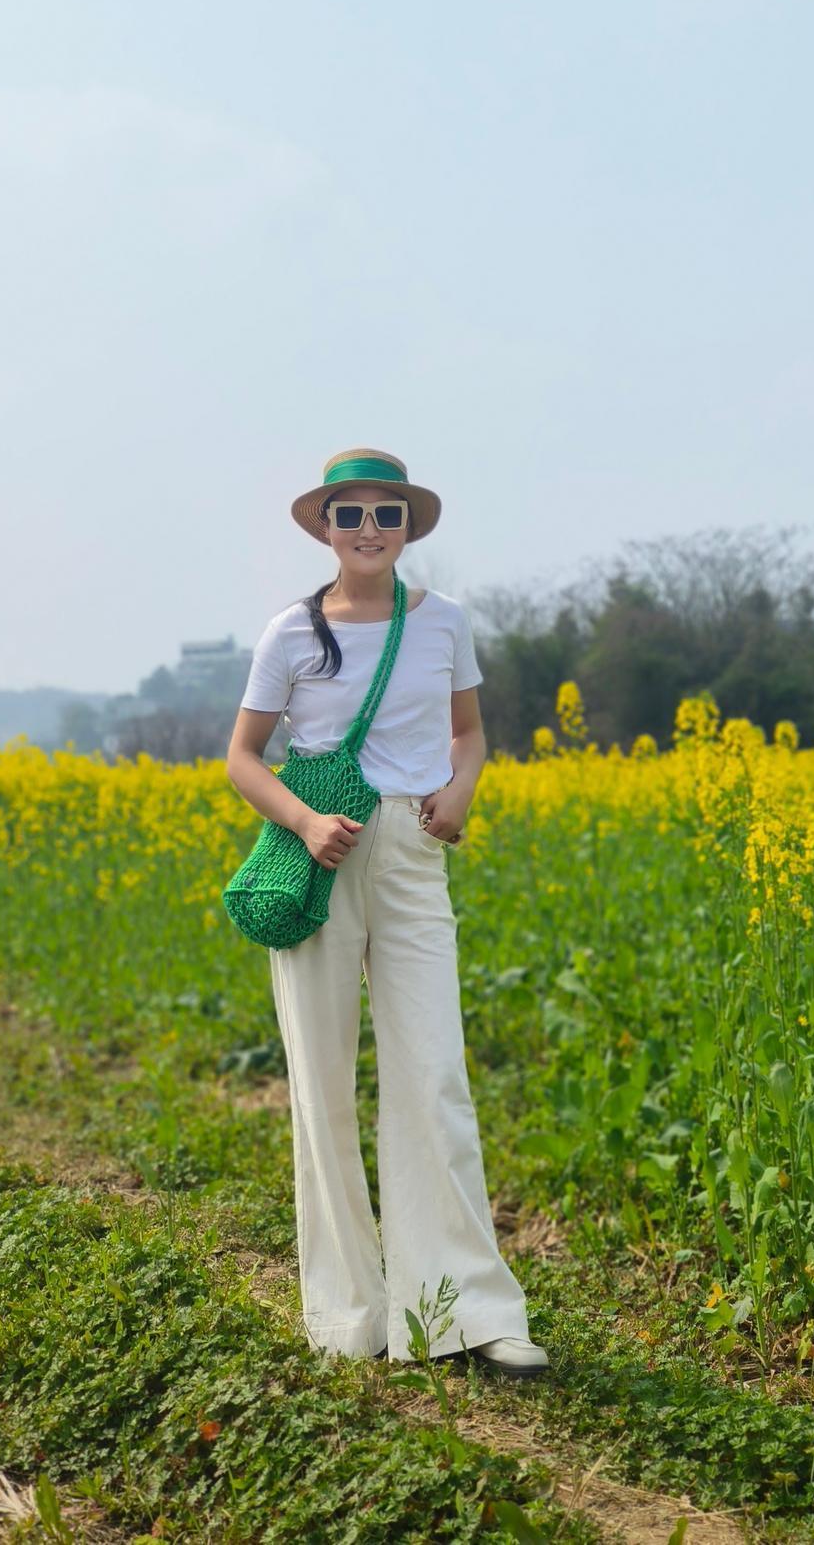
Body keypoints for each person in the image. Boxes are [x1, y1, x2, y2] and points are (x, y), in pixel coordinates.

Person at [225, 447, 548, 1377]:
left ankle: (466, 1310)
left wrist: (463, 792)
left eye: (387, 514)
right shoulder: (289, 631)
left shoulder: (443, 622)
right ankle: (348, 1315)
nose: (369, 529)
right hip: (321, 853)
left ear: (409, 528)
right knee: (322, 1084)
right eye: (351, 513)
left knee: (435, 1076)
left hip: (410, 856)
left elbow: (470, 732)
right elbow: (244, 756)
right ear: (324, 527)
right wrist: (303, 818)